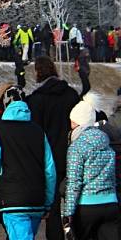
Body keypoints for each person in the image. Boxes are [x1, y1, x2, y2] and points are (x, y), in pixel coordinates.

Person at [0, 87, 56, 240]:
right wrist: (48, 201)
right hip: (36, 199)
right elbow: (49, 170)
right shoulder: (38, 131)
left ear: (5, 105)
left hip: (12, 200)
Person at [25, 55, 80, 240]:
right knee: (76, 200)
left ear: (38, 73)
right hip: (72, 154)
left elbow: (34, 132)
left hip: (48, 159)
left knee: (53, 206)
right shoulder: (71, 95)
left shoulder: (36, 100)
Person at [63, 99, 118, 240]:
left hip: (87, 206)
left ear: (77, 123)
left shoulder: (77, 147)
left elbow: (74, 183)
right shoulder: (107, 143)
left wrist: (67, 215)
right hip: (111, 204)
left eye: (72, 122)